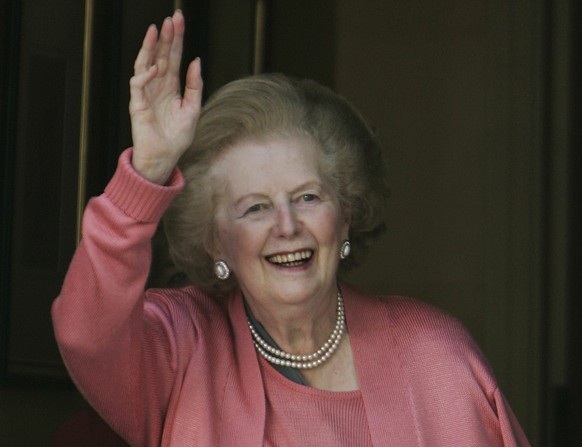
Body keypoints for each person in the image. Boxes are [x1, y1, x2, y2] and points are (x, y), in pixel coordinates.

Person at [52, 10, 530, 447]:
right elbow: (87, 333)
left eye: (307, 197)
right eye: (255, 208)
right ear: (214, 239)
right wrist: (149, 172)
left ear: (345, 214)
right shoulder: (181, 348)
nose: (287, 225)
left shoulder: (435, 357)